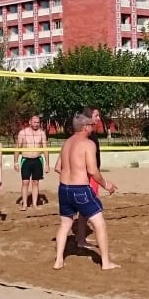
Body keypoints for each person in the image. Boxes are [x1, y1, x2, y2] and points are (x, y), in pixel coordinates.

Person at [54, 111, 119, 270]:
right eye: (91, 124)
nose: (93, 126)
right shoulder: (88, 144)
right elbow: (93, 171)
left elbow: (57, 167)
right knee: (100, 224)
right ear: (84, 127)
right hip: (80, 189)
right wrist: (106, 184)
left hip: (64, 188)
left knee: (65, 224)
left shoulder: (66, 143)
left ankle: (58, 260)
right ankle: (105, 262)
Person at [15, 114, 49, 210]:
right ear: (30, 122)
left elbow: (45, 149)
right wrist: (15, 162)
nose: (36, 124)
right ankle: (25, 204)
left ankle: (34, 204)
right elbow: (17, 148)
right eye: (34, 122)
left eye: (38, 122)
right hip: (26, 160)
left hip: (37, 160)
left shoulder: (42, 133)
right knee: (25, 182)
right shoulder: (23, 133)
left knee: (36, 182)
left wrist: (47, 164)